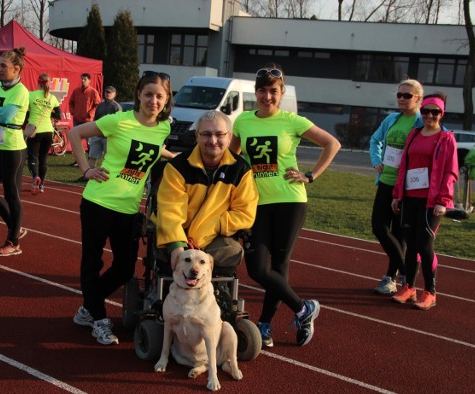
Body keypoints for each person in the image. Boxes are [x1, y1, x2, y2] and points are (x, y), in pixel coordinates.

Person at [230, 63, 340, 348]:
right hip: (257, 203)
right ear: (255, 93)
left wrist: (310, 175)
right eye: (263, 91)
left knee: (279, 265)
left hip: (290, 200)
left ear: (281, 93)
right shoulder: (242, 121)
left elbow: (332, 144)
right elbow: (232, 159)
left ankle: (264, 326)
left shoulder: (293, 121)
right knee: (257, 268)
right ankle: (304, 308)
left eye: (274, 91)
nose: (268, 97)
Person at [69, 71, 175, 345]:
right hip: (99, 202)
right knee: (92, 263)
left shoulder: (164, 127)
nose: (154, 100)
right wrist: (86, 169)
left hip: (128, 208)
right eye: (148, 94)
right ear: (138, 95)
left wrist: (174, 157)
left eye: (159, 96)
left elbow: (152, 148)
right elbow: (76, 132)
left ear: (166, 100)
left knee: (125, 268)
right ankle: (99, 318)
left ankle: (89, 307)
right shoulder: (119, 120)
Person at [156, 110, 258, 272]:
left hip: (214, 238)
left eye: (219, 134)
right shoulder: (177, 166)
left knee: (232, 251)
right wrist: (178, 245)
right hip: (177, 233)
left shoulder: (241, 170)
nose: (213, 140)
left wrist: (209, 228)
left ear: (229, 136)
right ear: (197, 136)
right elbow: (170, 210)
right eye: (206, 134)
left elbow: (245, 213)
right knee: (170, 254)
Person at [391, 93, 458, 310]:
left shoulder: (446, 138)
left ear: (442, 114)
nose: (429, 115)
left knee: (425, 246)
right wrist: (397, 194)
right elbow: (404, 166)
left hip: (432, 202)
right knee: (411, 246)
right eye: (426, 111)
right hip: (410, 197)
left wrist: (443, 200)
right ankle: (409, 287)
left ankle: (430, 292)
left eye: (435, 112)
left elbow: (450, 171)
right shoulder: (414, 134)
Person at [369, 79, 424, 295]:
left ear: (418, 98)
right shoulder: (392, 119)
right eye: (399, 95)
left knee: (399, 233)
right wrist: (376, 160)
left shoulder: (421, 123)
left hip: (408, 187)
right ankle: (406, 271)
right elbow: (375, 140)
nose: (401, 99)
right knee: (378, 227)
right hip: (386, 181)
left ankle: (389, 279)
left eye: (407, 95)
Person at [0, 47, 30, 256]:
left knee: (12, 195)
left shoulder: (21, 91)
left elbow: (6, 116)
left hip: (13, 148)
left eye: (3, 66)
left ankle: (13, 242)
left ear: (16, 69)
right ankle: (16, 226)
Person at [26, 73, 62, 195]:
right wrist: (48, 114)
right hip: (48, 131)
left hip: (35, 130)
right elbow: (59, 115)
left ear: (38, 83)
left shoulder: (31, 95)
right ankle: (41, 185)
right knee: (43, 158)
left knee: (32, 157)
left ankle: (35, 177)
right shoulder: (53, 98)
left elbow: (25, 112)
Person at [86, 85, 121, 170]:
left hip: (109, 138)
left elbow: (118, 124)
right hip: (97, 135)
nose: (107, 94)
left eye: (110, 92)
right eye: (106, 92)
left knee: (108, 158)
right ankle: (88, 175)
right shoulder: (100, 105)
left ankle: (106, 176)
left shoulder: (116, 107)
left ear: (114, 94)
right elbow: (96, 120)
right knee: (92, 157)